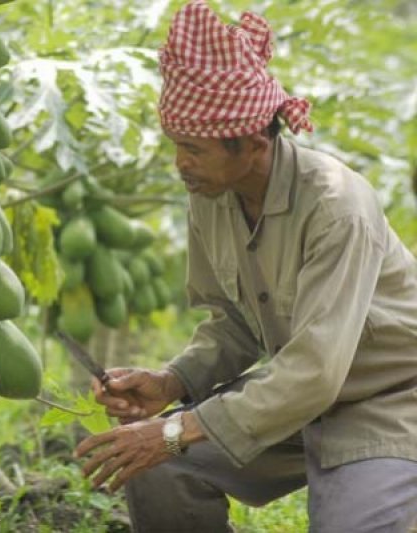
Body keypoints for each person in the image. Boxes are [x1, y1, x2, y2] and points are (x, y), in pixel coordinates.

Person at [73, 1, 417, 531]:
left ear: (253, 144)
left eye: (193, 149)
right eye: (176, 146)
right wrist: (171, 382)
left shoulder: (336, 207)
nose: (179, 164)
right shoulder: (212, 193)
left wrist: (176, 429)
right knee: (157, 470)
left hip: (387, 400)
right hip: (294, 397)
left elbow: (316, 371)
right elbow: (233, 322)